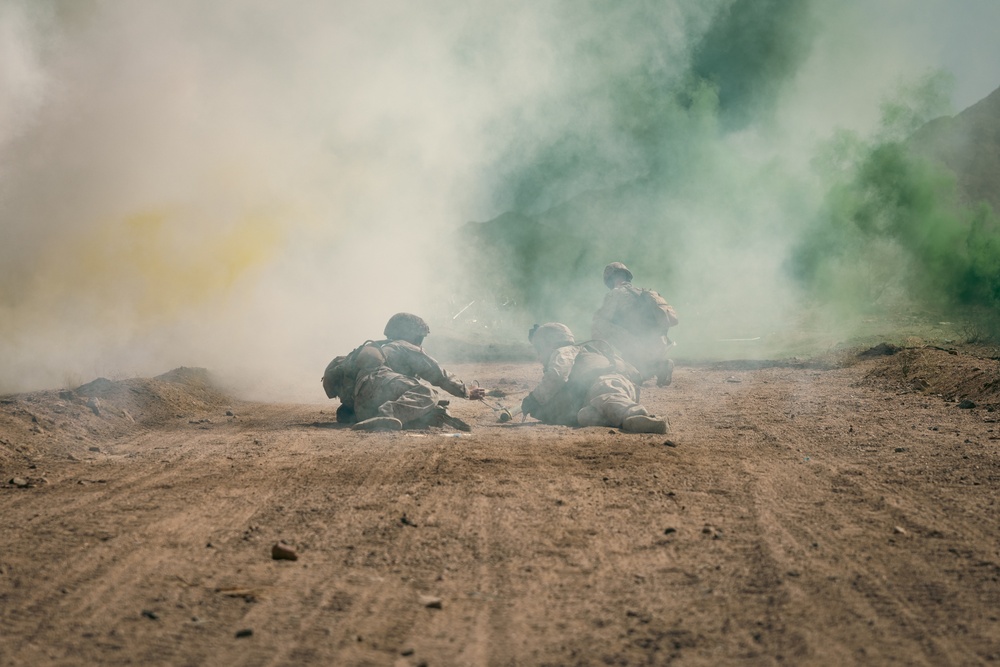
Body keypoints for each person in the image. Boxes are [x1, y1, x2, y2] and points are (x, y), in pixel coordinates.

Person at [322, 313, 486, 431]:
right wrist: (465, 391)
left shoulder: (377, 347)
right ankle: (388, 414)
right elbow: (437, 374)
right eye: (420, 337)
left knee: (427, 409)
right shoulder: (403, 346)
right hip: (378, 383)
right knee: (427, 393)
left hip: (362, 407)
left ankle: (376, 418)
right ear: (412, 335)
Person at [520, 323, 668, 434]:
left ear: (550, 344)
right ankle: (625, 418)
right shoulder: (590, 351)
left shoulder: (563, 351)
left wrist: (535, 399)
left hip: (605, 384)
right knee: (584, 416)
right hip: (620, 387)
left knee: (607, 397)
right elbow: (635, 374)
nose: (539, 357)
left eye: (539, 349)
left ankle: (636, 415)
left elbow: (557, 376)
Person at [592, 262, 678, 386]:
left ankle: (602, 361)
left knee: (599, 323)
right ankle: (661, 365)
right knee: (637, 369)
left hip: (638, 347)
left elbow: (602, 320)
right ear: (627, 276)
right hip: (659, 345)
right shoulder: (642, 292)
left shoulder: (615, 294)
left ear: (609, 279)